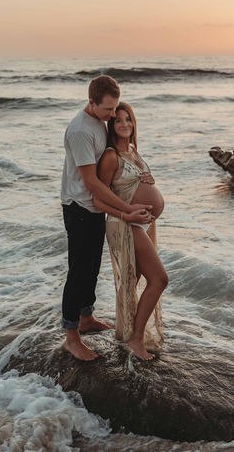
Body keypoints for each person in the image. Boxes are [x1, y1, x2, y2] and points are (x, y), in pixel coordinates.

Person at [61, 76, 152, 362]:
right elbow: (92, 183)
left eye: (115, 110)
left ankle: (86, 317)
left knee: (92, 267)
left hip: (96, 209)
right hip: (80, 208)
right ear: (92, 103)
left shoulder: (99, 120)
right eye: (108, 110)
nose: (113, 116)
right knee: (78, 270)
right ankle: (71, 337)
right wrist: (126, 211)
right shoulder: (80, 131)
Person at [93, 102, 168, 360]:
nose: (124, 124)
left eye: (128, 119)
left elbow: (134, 182)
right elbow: (98, 199)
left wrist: (149, 180)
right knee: (159, 279)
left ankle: (124, 333)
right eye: (118, 121)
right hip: (125, 223)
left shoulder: (135, 152)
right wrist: (127, 212)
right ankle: (136, 338)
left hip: (143, 223)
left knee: (131, 282)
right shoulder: (111, 156)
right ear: (111, 126)